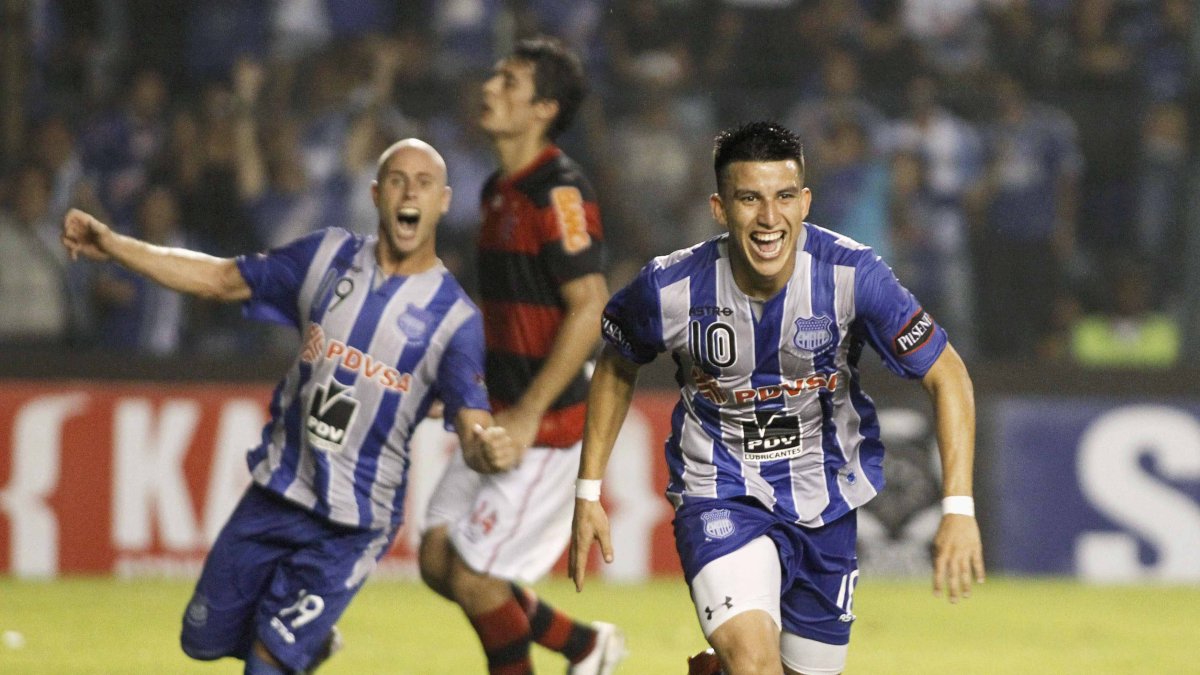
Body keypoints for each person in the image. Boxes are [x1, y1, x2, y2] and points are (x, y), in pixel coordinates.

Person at [61, 138, 519, 675]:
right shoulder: (324, 256)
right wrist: (115, 244)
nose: (409, 191)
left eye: (423, 183)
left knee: (266, 664)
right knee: (202, 639)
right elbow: (219, 277)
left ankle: (293, 646)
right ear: (376, 194)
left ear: (443, 201)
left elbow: (472, 421)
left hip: (351, 525)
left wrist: (487, 448)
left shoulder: (455, 320)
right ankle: (311, 644)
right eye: (397, 179)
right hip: (278, 491)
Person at [569, 122, 984, 675]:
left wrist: (958, 509)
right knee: (755, 665)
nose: (769, 219)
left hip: (825, 499)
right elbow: (617, 364)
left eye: (784, 197)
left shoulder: (853, 274)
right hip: (720, 492)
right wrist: (588, 490)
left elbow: (949, 374)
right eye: (749, 199)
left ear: (805, 202)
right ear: (720, 207)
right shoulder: (669, 287)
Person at [417, 36, 623, 675]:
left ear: (543, 108)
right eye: (494, 76)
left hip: (547, 420)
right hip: (499, 408)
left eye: (509, 82)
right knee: (436, 559)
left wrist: (531, 412)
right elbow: (504, 316)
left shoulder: (557, 191)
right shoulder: (497, 190)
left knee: (477, 580)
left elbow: (590, 305)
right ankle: (587, 647)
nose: (490, 88)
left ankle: (580, 652)